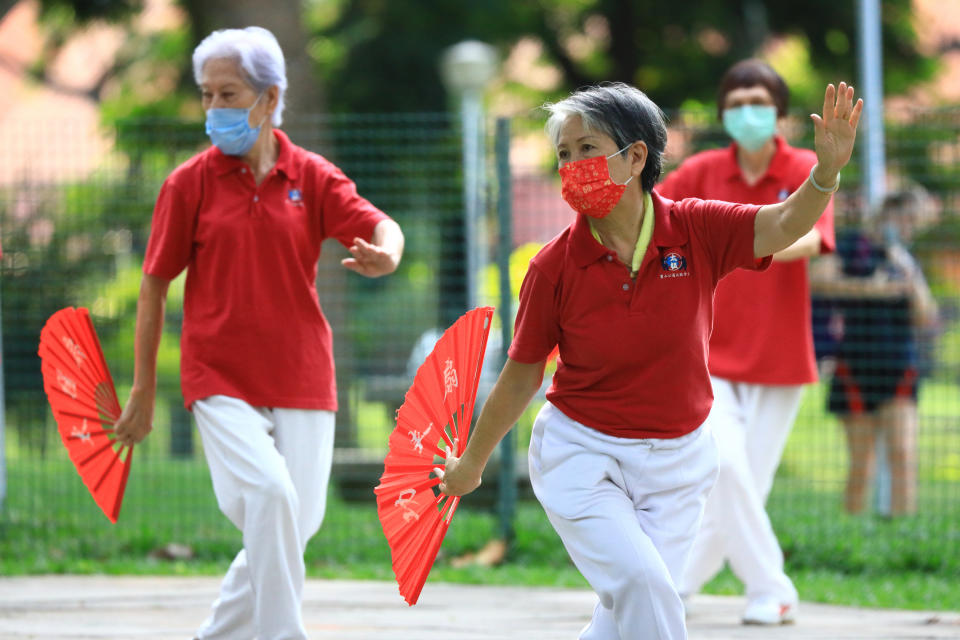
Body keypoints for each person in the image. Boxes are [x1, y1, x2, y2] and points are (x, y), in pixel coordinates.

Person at [438, 80, 862, 640]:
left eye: (587, 149)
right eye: (563, 154)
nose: (572, 165)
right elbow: (522, 374)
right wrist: (472, 461)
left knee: (625, 614)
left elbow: (783, 224)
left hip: (679, 462)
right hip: (581, 454)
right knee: (647, 588)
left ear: (636, 156)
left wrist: (825, 174)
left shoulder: (697, 227)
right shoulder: (552, 267)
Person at [112, 27, 404, 640]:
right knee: (271, 497)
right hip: (217, 375)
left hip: (302, 371)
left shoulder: (312, 175)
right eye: (207, 94)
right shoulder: (187, 184)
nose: (214, 108)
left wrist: (388, 253)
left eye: (229, 93)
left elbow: (380, 224)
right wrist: (142, 390)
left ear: (270, 99)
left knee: (295, 523)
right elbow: (152, 286)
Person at [656, 59, 835, 626]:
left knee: (741, 490)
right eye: (734, 104)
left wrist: (728, 246)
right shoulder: (701, 170)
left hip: (781, 358)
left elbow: (810, 239)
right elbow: (652, 222)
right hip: (707, 354)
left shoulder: (806, 165)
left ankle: (676, 585)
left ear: (780, 112)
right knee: (724, 468)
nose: (746, 113)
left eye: (757, 101)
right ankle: (774, 587)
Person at [811, 189, 938, 517]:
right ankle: (856, 537)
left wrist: (910, 275)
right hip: (855, 362)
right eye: (905, 219)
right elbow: (819, 279)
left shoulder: (905, 258)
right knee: (862, 462)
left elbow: (926, 317)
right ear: (889, 212)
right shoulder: (853, 244)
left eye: (915, 224)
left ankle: (902, 533)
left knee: (903, 454)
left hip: (899, 364)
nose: (908, 228)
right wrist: (872, 288)